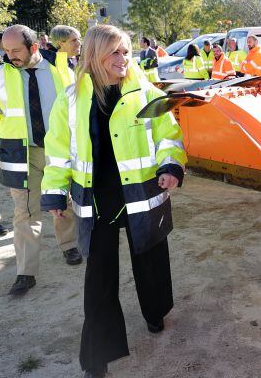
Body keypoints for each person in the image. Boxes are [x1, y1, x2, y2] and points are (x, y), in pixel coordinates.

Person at [40, 24, 187, 378]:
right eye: (115, 53)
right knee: (99, 279)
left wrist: (170, 165)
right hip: (97, 200)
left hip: (141, 194)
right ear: (94, 55)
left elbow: (168, 134)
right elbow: (58, 152)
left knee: (150, 259)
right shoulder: (71, 99)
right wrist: (55, 191)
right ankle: (96, 359)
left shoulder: (145, 90)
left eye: (126, 52)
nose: (124, 59)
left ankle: (155, 313)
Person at [0, 25, 79, 296]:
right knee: (24, 211)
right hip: (22, 154)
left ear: (33, 47)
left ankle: (69, 246)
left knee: (62, 201)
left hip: (57, 150)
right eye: (6, 51)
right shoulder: (0, 75)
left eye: (16, 50)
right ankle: (26, 272)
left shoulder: (61, 69)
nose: (10, 56)